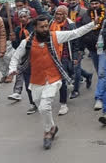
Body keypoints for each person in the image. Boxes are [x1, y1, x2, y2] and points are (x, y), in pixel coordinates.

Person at [8, 15, 95, 149]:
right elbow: (15, 57)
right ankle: (52, 127)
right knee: (40, 105)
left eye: (46, 26)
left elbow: (75, 33)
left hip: (54, 79)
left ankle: (48, 132)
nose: (45, 29)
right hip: (36, 80)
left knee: (44, 107)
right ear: (35, 28)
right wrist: (12, 69)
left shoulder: (55, 36)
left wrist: (92, 24)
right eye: (41, 27)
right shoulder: (27, 43)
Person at [82, 0, 106, 111]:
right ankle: (105, 88)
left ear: (100, 3)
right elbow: (82, 31)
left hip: (105, 49)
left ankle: (99, 98)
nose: (94, 5)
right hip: (92, 49)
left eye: (97, 3)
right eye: (92, 4)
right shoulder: (85, 16)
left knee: (102, 72)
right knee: (99, 71)